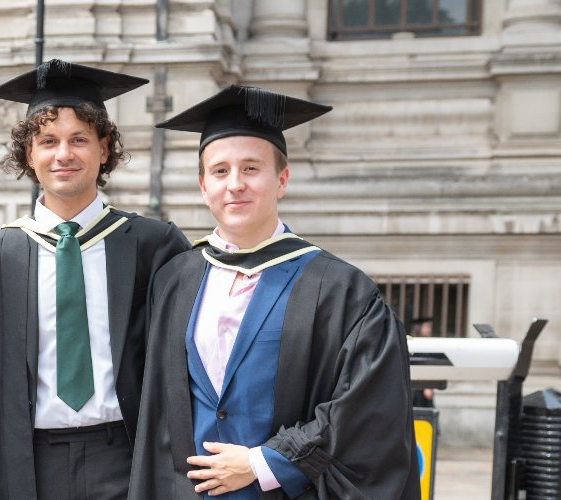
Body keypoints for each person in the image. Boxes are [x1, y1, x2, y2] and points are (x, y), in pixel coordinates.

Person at [130, 85, 417, 499]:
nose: (235, 184)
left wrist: (263, 463)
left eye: (251, 168)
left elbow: (370, 409)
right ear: (203, 186)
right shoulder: (174, 280)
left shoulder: (340, 290)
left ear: (281, 179)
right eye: (220, 171)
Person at [0, 60, 191, 500]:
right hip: (24, 464)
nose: (64, 154)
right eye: (48, 141)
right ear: (30, 155)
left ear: (104, 149)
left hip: (126, 459)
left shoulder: (155, 248)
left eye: (79, 139)